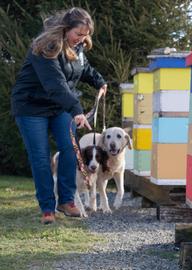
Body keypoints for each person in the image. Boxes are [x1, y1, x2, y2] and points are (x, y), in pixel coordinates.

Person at [11, 7, 107, 224]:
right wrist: (76, 110)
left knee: (70, 149)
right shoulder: (46, 47)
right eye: (78, 34)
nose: (82, 40)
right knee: (41, 157)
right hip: (31, 106)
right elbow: (55, 84)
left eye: (85, 36)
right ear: (65, 29)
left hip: (59, 106)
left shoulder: (78, 47)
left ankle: (66, 201)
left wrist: (99, 81)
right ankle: (47, 208)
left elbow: (83, 68)